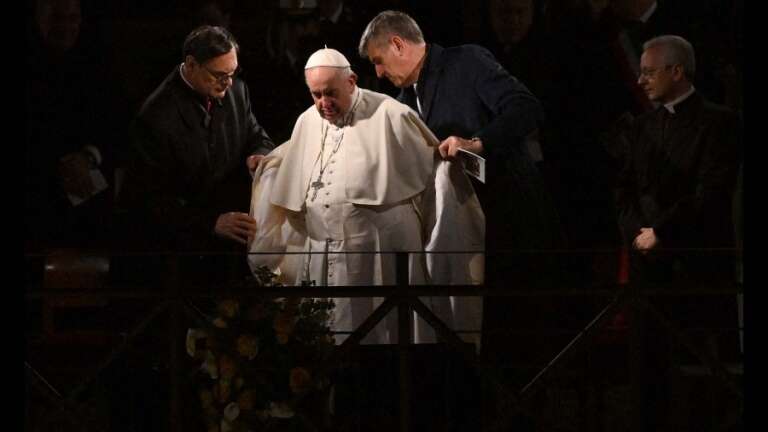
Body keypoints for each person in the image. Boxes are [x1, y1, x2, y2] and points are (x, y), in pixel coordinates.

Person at [357, 9, 562, 360]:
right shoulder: (404, 100)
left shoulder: (465, 62)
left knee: (517, 343)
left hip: (507, 223)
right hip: (458, 238)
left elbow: (526, 108)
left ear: (397, 44)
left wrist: (477, 143)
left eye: (378, 61)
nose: (377, 72)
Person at [247, 48, 484, 346]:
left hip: (379, 260)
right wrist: (269, 164)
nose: (324, 103)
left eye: (330, 93)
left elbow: (429, 168)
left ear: (351, 81)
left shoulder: (391, 115)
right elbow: (293, 154)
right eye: (316, 95)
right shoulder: (307, 120)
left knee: (381, 341)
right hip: (323, 257)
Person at [614, 34, 741, 430]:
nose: (641, 80)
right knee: (648, 367)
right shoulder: (641, 126)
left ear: (677, 71)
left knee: (701, 371)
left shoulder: (720, 122)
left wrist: (662, 233)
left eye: (649, 72)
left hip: (696, 264)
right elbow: (623, 187)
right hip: (647, 268)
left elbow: (711, 191)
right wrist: (636, 231)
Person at [119, 25, 274, 280]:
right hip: (179, 250)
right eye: (218, 75)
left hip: (230, 243)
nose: (228, 83)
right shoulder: (155, 117)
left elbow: (257, 136)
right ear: (191, 65)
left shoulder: (236, 91)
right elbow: (148, 199)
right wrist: (210, 222)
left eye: (232, 73)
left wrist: (258, 155)